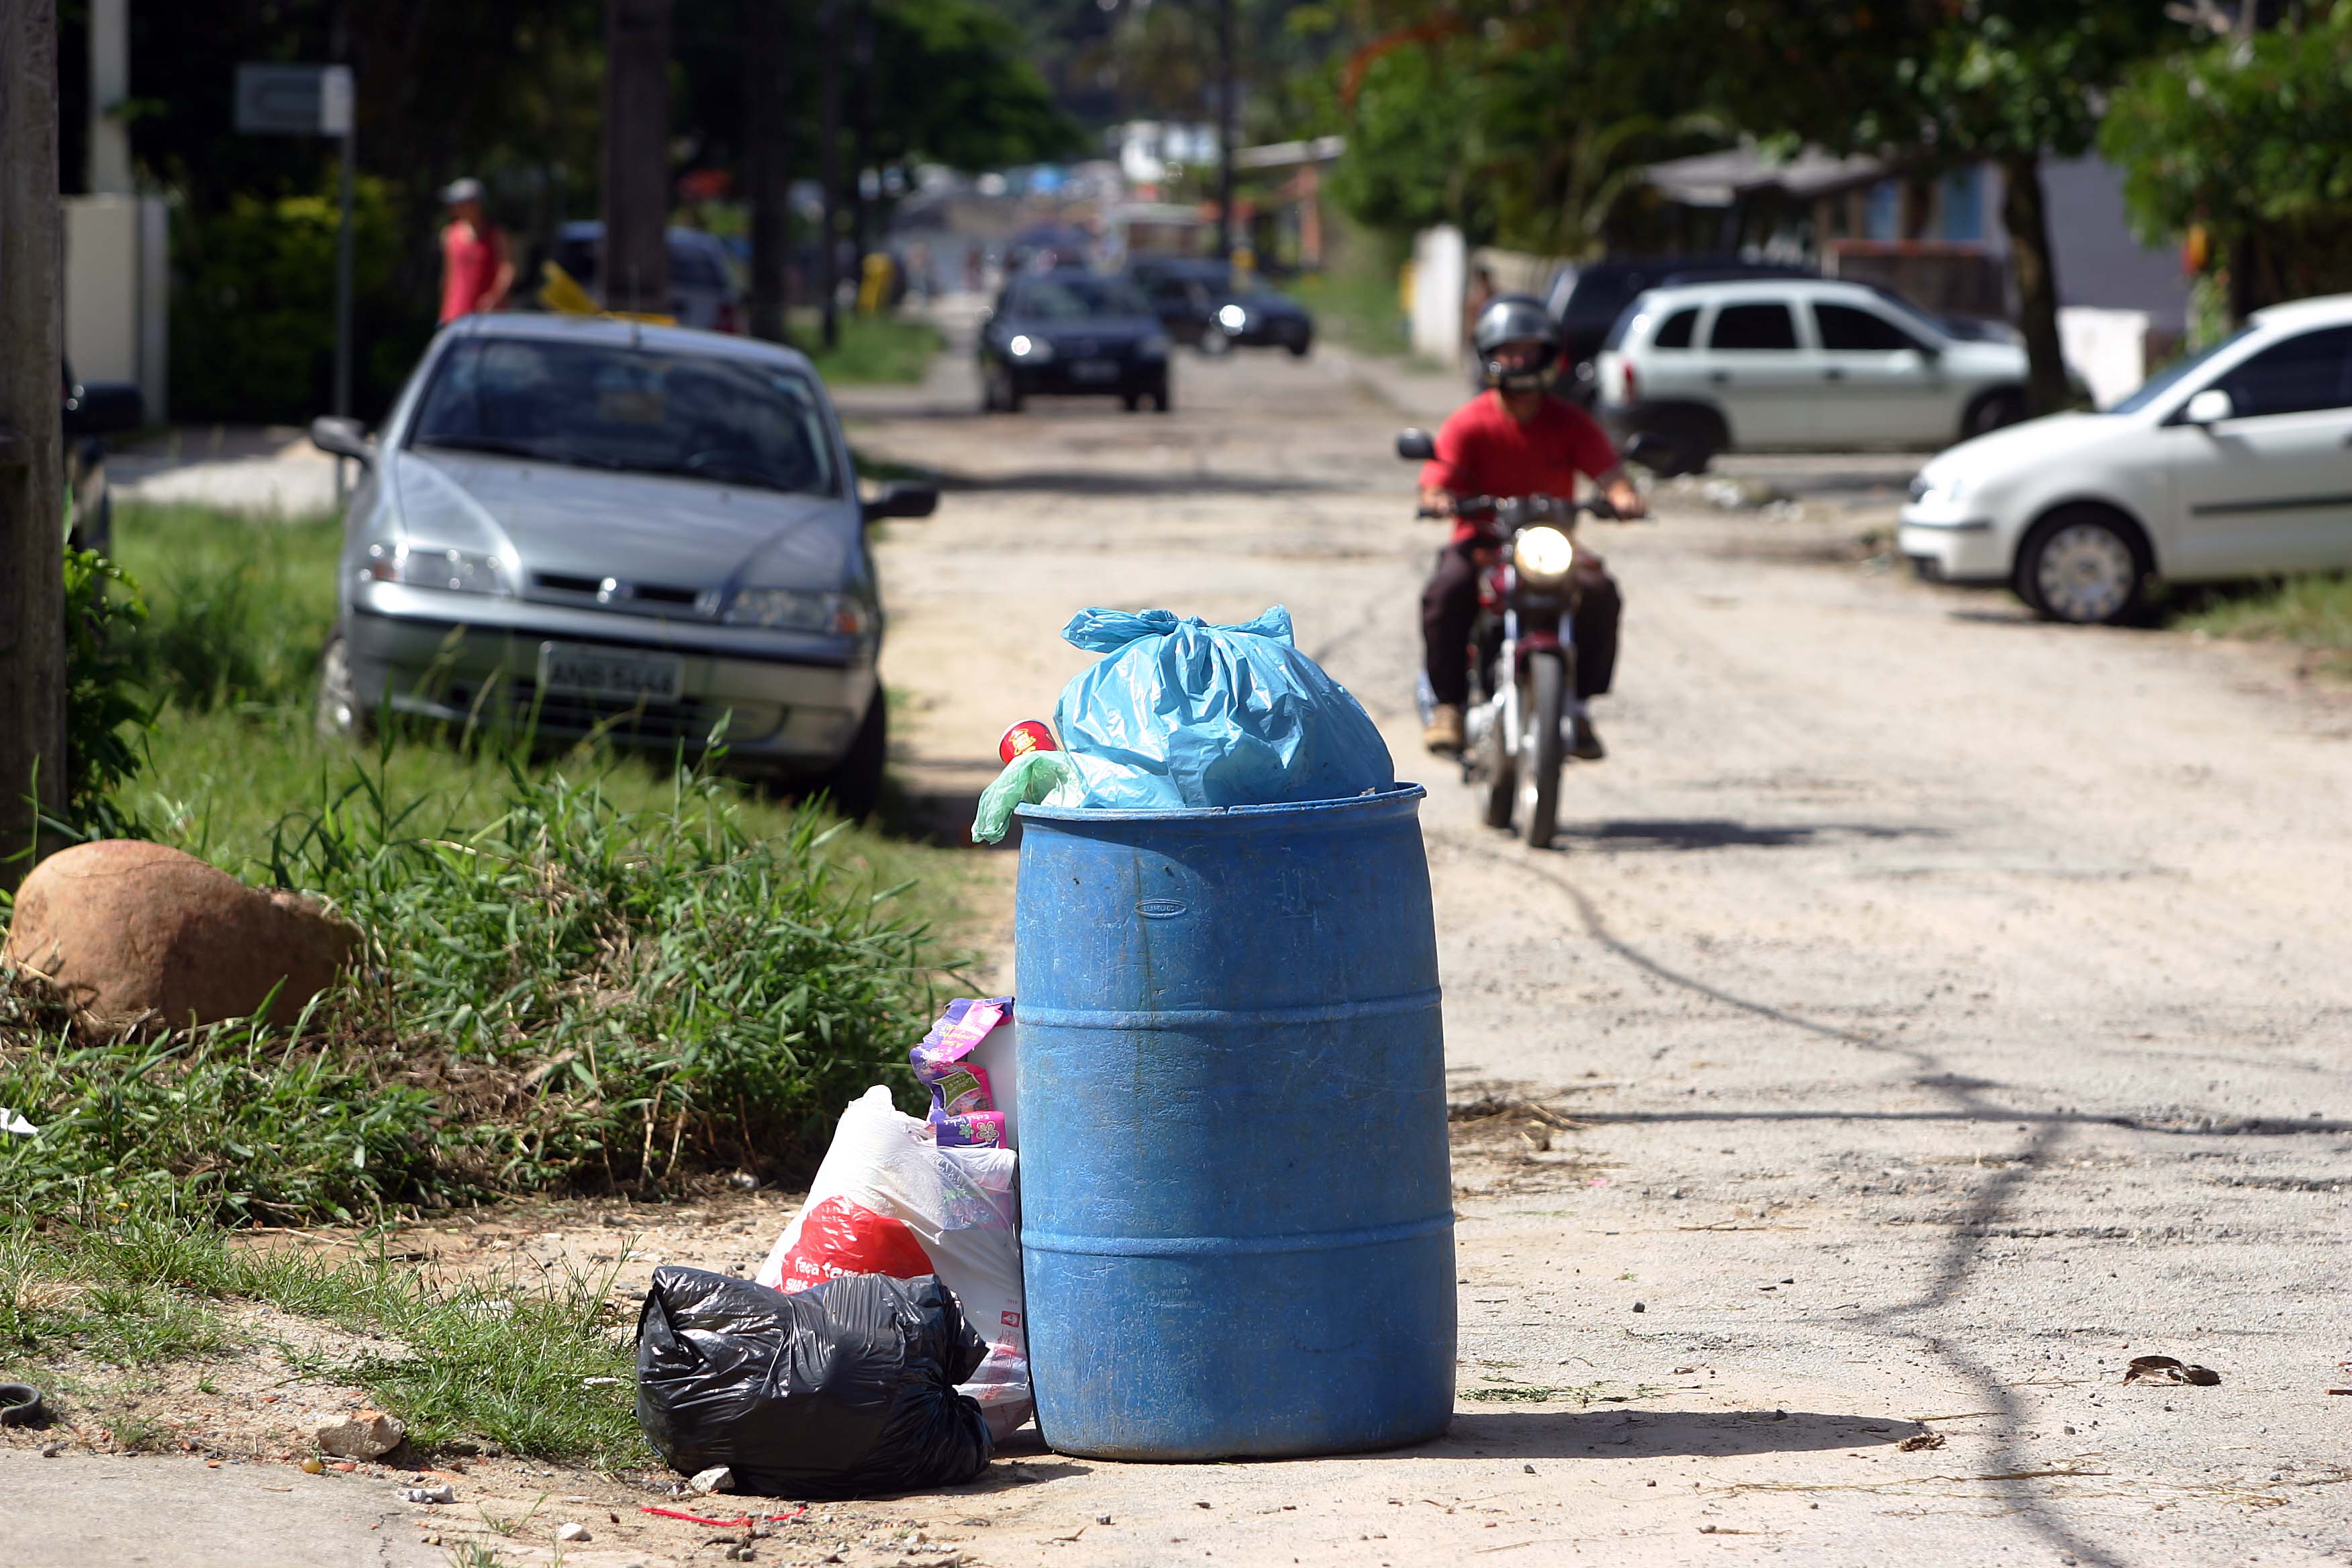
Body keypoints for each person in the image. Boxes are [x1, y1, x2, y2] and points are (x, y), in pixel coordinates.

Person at [1418, 293, 1645, 758]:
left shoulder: (1570, 422)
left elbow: (1611, 476)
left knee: (1599, 590)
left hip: (1551, 542)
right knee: (1447, 590)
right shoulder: (1469, 422)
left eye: (1528, 349)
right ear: (1489, 355)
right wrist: (1439, 499)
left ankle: (1580, 706)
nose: (1519, 359)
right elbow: (1436, 479)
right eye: (1509, 350)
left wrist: (1624, 498)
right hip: (1482, 540)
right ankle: (1448, 707)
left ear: (1547, 355)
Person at [437, 177, 513, 325]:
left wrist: (495, 297)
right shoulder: (449, 235)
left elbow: (507, 270)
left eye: (460, 203)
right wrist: (443, 310)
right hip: (455, 314)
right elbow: (447, 275)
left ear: (475, 204)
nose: (455, 208)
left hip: (488, 317)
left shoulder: (496, 234)